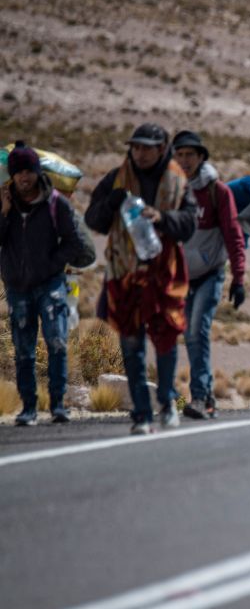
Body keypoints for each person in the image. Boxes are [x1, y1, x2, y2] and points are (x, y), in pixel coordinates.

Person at [85, 123, 197, 434]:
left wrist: (163, 218)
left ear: (162, 149)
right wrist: (111, 203)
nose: (140, 153)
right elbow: (93, 219)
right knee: (131, 342)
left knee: (165, 338)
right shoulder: (116, 179)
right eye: (136, 147)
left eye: (147, 147)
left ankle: (166, 400)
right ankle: (142, 414)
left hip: (164, 274)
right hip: (125, 274)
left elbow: (190, 223)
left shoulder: (178, 180)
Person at [0, 142, 86, 425]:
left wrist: (52, 264)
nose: (24, 177)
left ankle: (58, 404)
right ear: (12, 175)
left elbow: (73, 242)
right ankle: (28, 409)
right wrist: (3, 213)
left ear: (37, 172)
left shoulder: (55, 204)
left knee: (57, 342)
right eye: (18, 172)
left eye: (28, 171)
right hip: (18, 287)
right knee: (23, 350)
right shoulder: (5, 204)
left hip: (50, 285)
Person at [172, 130, 247, 420]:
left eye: (190, 154)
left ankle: (200, 397)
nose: (185, 160)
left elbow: (233, 235)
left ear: (201, 157)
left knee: (196, 331)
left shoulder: (217, 192)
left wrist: (238, 278)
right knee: (185, 335)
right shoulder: (170, 191)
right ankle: (206, 395)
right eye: (180, 154)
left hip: (210, 273)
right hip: (180, 276)